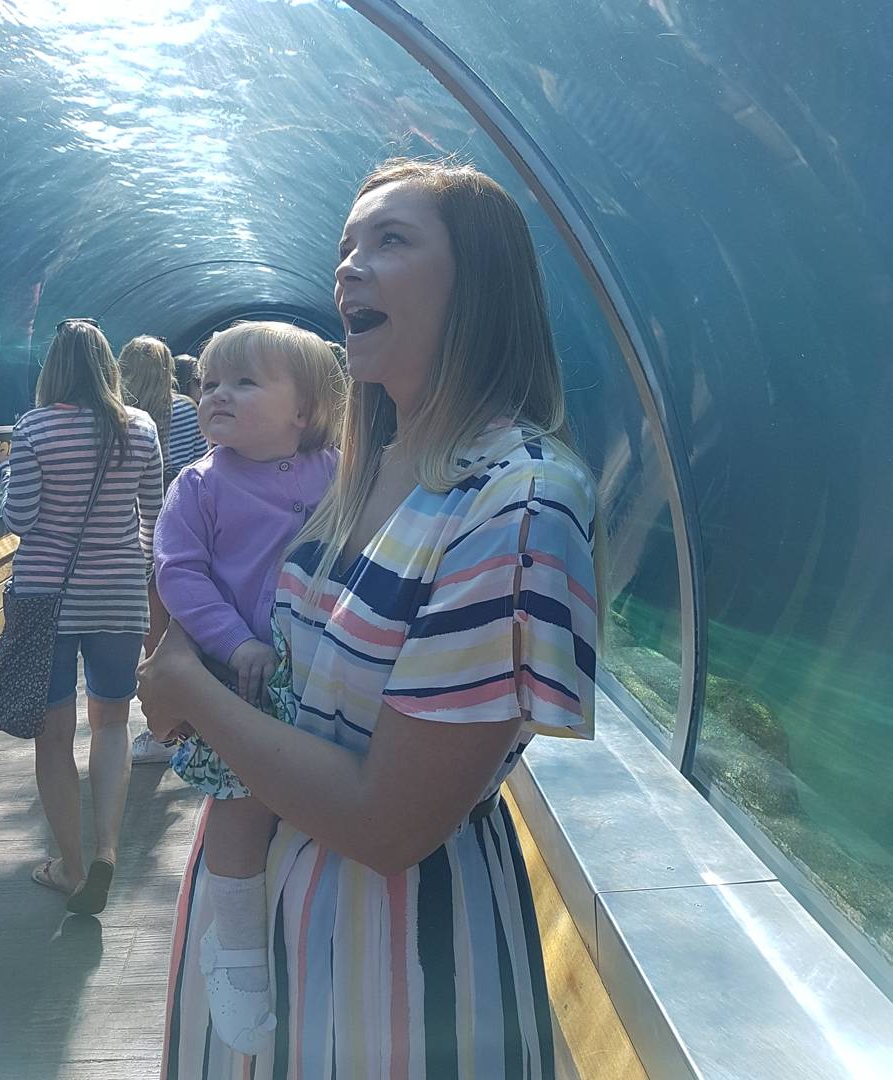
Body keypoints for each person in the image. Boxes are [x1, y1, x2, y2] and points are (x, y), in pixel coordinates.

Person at [138, 159, 600, 1077]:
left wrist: (188, 685)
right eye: (345, 245)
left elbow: (389, 825)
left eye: (390, 240)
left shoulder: (517, 503)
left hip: (395, 970)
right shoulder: (363, 464)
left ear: (478, 282)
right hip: (264, 921)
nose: (348, 265)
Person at [152, 320, 342, 1051]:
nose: (216, 395)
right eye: (208, 383)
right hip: (243, 680)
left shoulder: (338, 471)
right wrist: (235, 643)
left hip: (324, 672)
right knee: (239, 806)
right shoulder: (199, 484)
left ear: (304, 410)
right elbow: (178, 574)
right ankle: (234, 952)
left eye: (244, 382)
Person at [0, 318, 163, 915]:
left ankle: (69, 866)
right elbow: (154, 513)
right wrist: (128, 562)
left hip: (48, 599)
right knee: (112, 723)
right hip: (119, 594)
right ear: (107, 365)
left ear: (55, 368)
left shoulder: (33, 428)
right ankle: (108, 851)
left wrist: (7, 470)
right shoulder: (139, 427)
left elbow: (20, 519)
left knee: (54, 736)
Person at [117, 337, 209, 765]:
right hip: (183, 526)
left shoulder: (121, 416)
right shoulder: (187, 410)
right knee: (184, 630)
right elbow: (201, 464)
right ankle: (191, 723)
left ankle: (162, 730)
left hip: (136, 534)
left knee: (151, 637)